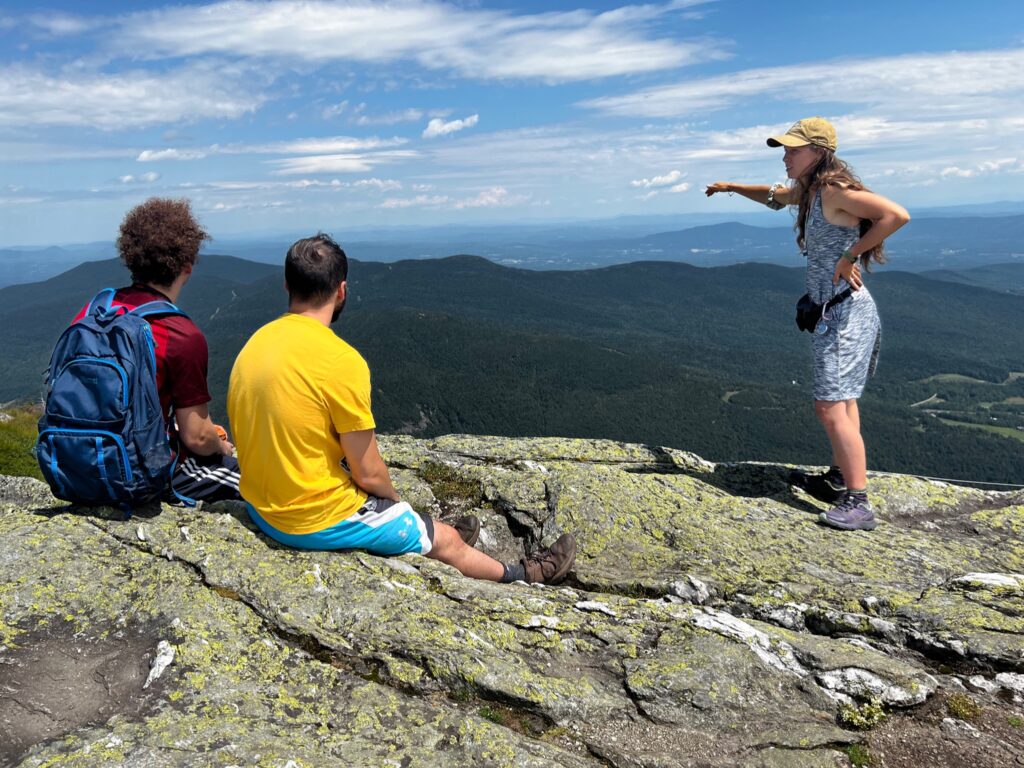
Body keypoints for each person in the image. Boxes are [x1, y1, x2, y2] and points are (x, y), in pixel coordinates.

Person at [227, 233, 576, 583]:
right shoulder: (340, 361)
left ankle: (424, 531)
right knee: (448, 540)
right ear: (342, 290)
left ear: (287, 284)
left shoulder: (255, 344)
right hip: (309, 520)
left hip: (260, 506)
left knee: (414, 521)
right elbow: (369, 473)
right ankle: (525, 575)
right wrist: (396, 504)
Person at [706, 117, 909, 531]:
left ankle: (858, 501)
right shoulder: (814, 190)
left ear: (819, 152)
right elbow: (773, 196)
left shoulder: (834, 190)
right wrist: (730, 188)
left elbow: (895, 215)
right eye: (785, 149)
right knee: (844, 400)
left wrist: (850, 255)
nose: (786, 156)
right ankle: (840, 478)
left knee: (829, 405)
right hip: (835, 311)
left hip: (844, 313)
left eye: (793, 150)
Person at [71, 197, 241, 503]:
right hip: (142, 473)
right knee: (258, 483)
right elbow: (198, 437)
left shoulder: (96, 308)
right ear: (187, 266)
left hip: (79, 462)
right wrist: (221, 447)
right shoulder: (181, 333)